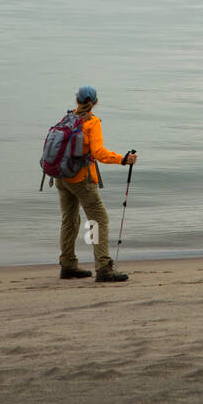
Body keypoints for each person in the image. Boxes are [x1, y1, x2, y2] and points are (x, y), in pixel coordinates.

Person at [57, 85, 138, 283]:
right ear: (95, 102)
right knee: (98, 220)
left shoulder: (68, 118)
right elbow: (98, 153)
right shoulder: (92, 122)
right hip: (81, 179)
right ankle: (103, 268)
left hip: (61, 176)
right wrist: (123, 159)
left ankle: (67, 266)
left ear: (76, 100)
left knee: (70, 221)